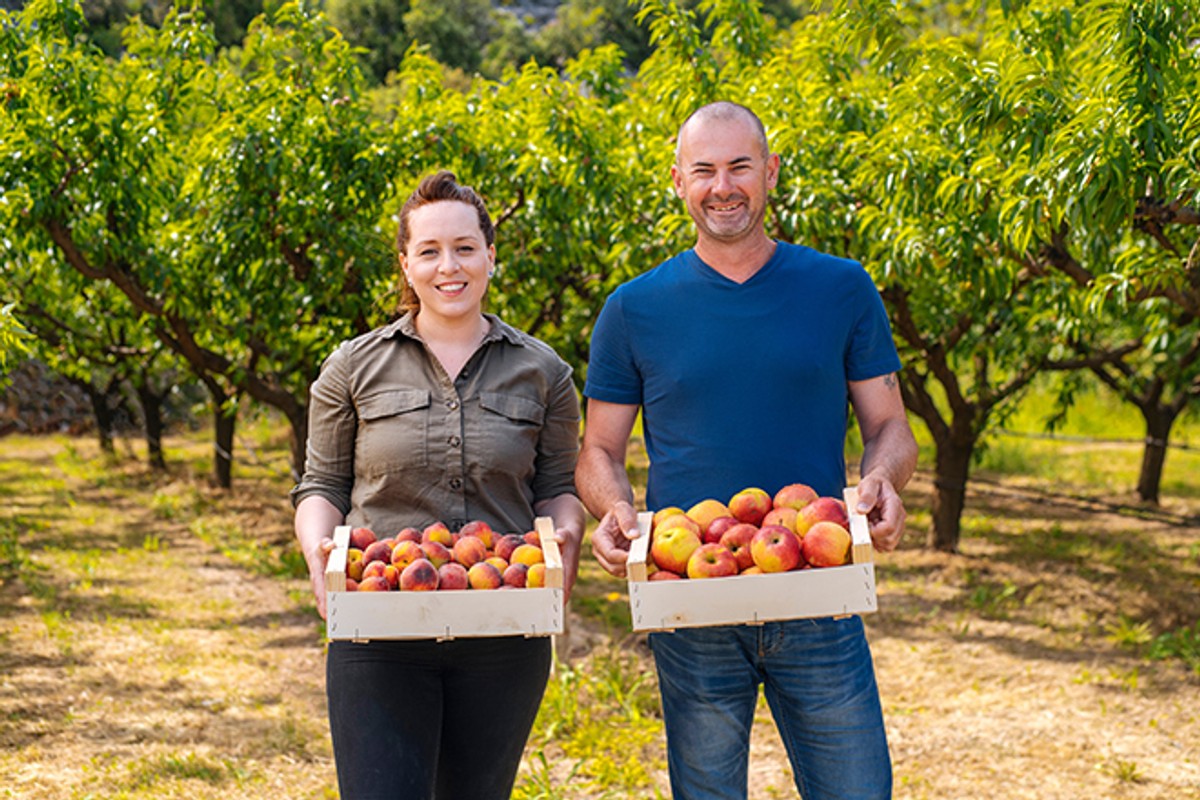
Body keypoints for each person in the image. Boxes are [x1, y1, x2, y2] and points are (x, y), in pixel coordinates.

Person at [575, 102, 919, 800]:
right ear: (678, 181)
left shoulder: (840, 287)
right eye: (704, 170)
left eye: (740, 166)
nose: (723, 186)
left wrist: (882, 477)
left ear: (771, 171)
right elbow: (598, 451)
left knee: (857, 790)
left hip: (817, 586)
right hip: (691, 596)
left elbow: (890, 425)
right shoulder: (634, 308)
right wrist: (613, 509)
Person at [291, 170, 586, 800]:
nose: (448, 266)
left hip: (503, 624)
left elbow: (558, 487)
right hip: (378, 623)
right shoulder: (353, 366)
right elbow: (322, 485)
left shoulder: (544, 371)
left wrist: (567, 535)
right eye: (429, 251)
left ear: (490, 256)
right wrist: (319, 551)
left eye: (464, 248)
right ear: (406, 263)